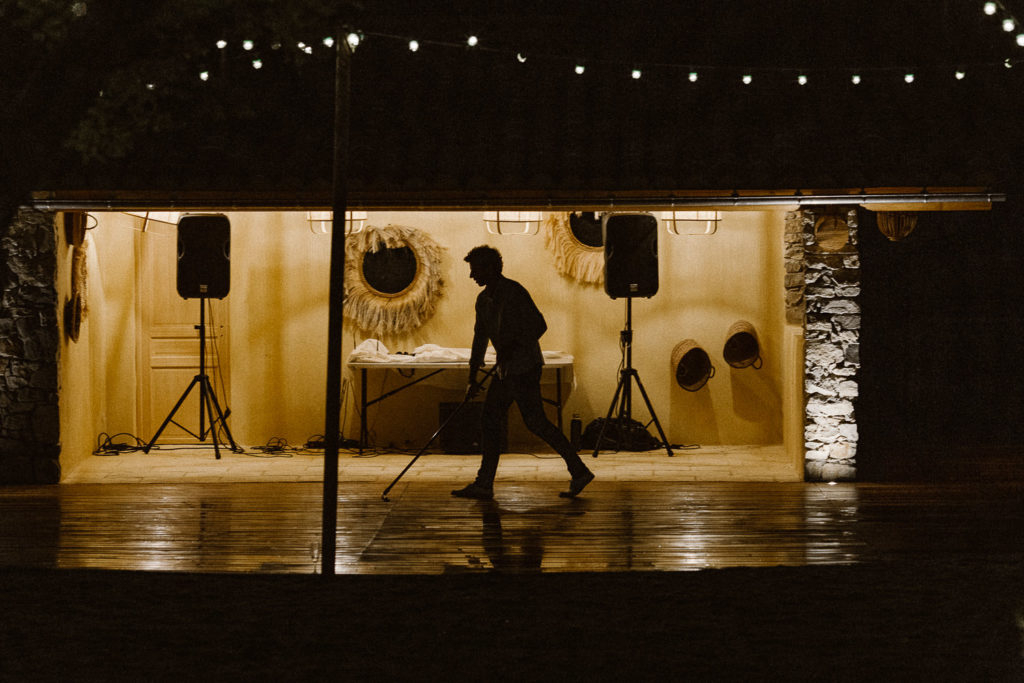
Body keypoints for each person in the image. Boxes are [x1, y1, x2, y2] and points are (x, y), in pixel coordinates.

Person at [451, 245, 595, 501]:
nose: (472, 275)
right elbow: (479, 339)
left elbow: (539, 325)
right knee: (494, 419)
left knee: (533, 422)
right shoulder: (483, 301)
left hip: (525, 368)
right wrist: (472, 377)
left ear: (491, 268)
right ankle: (486, 483)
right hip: (507, 371)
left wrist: (513, 347)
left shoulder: (514, 292)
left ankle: (578, 470)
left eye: (475, 270)